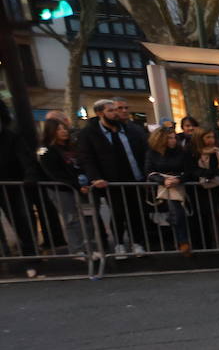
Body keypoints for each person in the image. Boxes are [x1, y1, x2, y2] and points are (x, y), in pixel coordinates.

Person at [74, 97, 150, 256]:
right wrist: (95, 177)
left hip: (134, 179)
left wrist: (146, 174)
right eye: (111, 110)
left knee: (136, 212)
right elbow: (86, 158)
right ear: (100, 113)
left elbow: (143, 151)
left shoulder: (130, 129)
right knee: (117, 213)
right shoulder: (89, 133)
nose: (116, 113)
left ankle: (137, 243)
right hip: (110, 182)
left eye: (116, 110)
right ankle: (119, 243)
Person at [36, 117, 94, 258]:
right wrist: (76, 185)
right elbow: (54, 173)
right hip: (62, 190)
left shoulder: (72, 147)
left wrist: (85, 183)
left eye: (64, 128)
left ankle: (89, 247)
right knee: (72, 219)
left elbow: (82, 164)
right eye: (59, 129)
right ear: (51, 131)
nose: (64, 132)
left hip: (82, 187)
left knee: (88, 217)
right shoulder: (45, 150)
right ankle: (77, 249)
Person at [145, 125, 195, 255]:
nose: (173, 141)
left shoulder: (182, 152)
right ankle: (182, 241)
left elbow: (189, 170)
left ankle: (183, 241)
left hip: (179, 185)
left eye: (174, 138)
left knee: (179, 213)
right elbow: (149, 171)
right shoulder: (152, 153)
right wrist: (163, 180)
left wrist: (178, 179)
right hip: (162, 188)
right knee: (176, 213)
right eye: (169, 138)